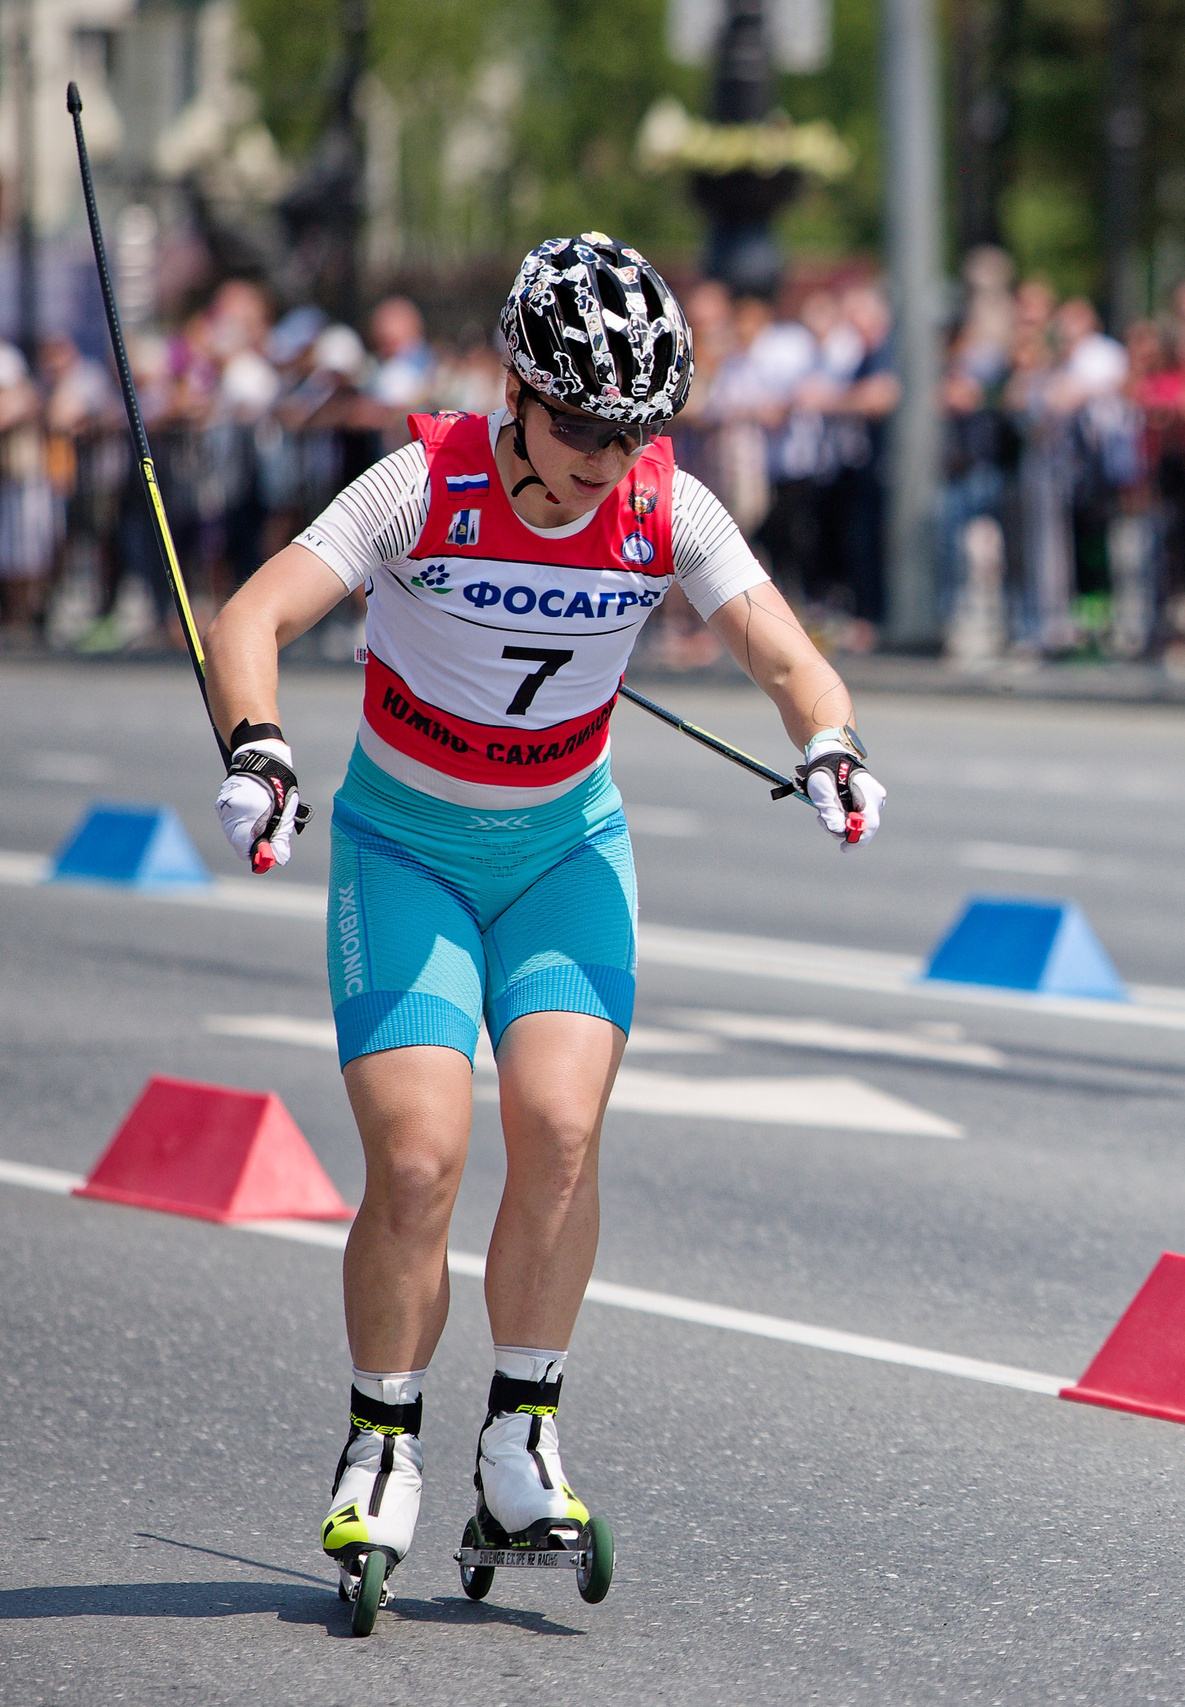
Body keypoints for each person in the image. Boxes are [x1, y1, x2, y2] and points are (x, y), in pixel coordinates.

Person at [200, 234, 887, 1607]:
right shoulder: (424, 483)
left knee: (562, 1130)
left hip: (565, 852)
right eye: (578, 425)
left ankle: (521, 1437)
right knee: (418, 1159)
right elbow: (251, 618)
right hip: (407, 848)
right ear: (515, 389)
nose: (602, 459)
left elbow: (788, 656)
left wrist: (831, 744)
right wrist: (261, 750)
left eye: (633, 432)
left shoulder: (664, 505)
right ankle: (381, 1440)